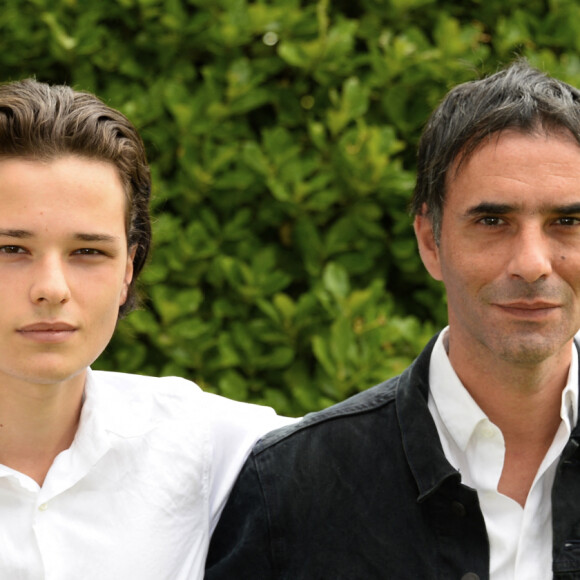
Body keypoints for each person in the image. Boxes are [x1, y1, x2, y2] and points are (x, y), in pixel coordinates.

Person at [205, 60, 580, 579]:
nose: (533, 263)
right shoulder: (290, 488)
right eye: (492, 221)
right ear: (431, 240)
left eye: (568, 221)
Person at [0, 78, 296, 580]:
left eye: (88, 252)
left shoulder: (207, 445)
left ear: (128, 271)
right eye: (10, 250)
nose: (51, 288)